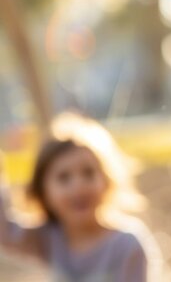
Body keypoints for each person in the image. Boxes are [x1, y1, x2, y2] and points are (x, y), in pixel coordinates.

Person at [0, 112, 156, 281]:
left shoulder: (127, 245)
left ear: (107, 179)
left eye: (88, 173)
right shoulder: (50, 237)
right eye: (64, 178)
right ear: (43, 191)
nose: (78, 187)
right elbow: (6, 234)